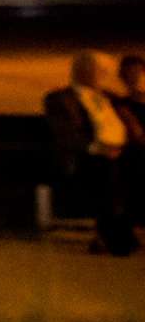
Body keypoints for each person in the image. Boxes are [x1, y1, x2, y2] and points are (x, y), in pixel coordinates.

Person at [45, 51, 139, 256]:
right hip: (87, 155)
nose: (104, 76)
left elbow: (133, 118)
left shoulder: (110, 98)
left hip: (121, 152)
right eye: (100, 71)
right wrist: (97, 147)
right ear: (83, 71)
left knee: (126, 168)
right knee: (108, 171)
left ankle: (118, 235)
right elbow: (65, 134)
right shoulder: (61, 99)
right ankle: (117, 239)